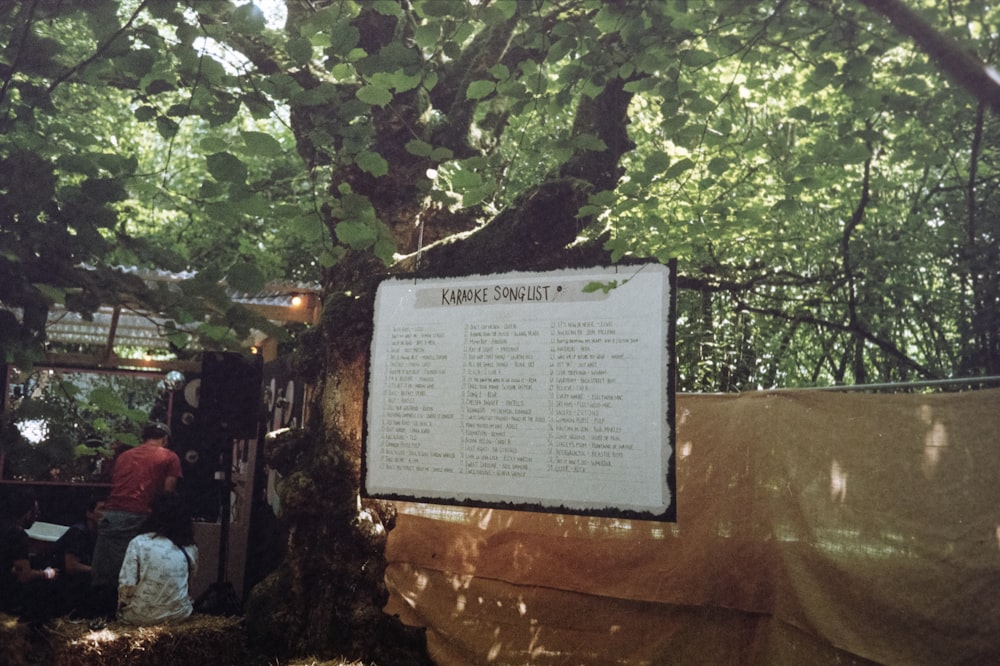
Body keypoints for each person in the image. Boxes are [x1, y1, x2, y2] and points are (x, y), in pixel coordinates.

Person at [90, 422, 182, 615]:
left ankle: (99, 618)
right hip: (139, 517)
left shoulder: (124, 456)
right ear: (165, 439)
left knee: (105, 574)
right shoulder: (169, 456)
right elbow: (168, 493)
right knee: (134, 573)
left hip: (111, 516)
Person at [117, 493, 198, 625]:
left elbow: (127, 584)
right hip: (179, 615)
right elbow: (190, 583)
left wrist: (121, 607)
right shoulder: (190, 548)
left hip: (139, 616)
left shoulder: (139, 542)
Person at [0, 487, 60, 622]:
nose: (36, 516)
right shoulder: (17, 534)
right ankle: (33, 631)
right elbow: (24, 576)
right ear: (28, 513)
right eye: (36, 512)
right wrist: (47, 573)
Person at [48, 494, 105, 617]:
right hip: (57, 581)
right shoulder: (79, 532)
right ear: (89, 514)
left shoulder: (99, 535)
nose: (106, 514)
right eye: (102, 509)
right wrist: (99, 571)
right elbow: (71, 566)